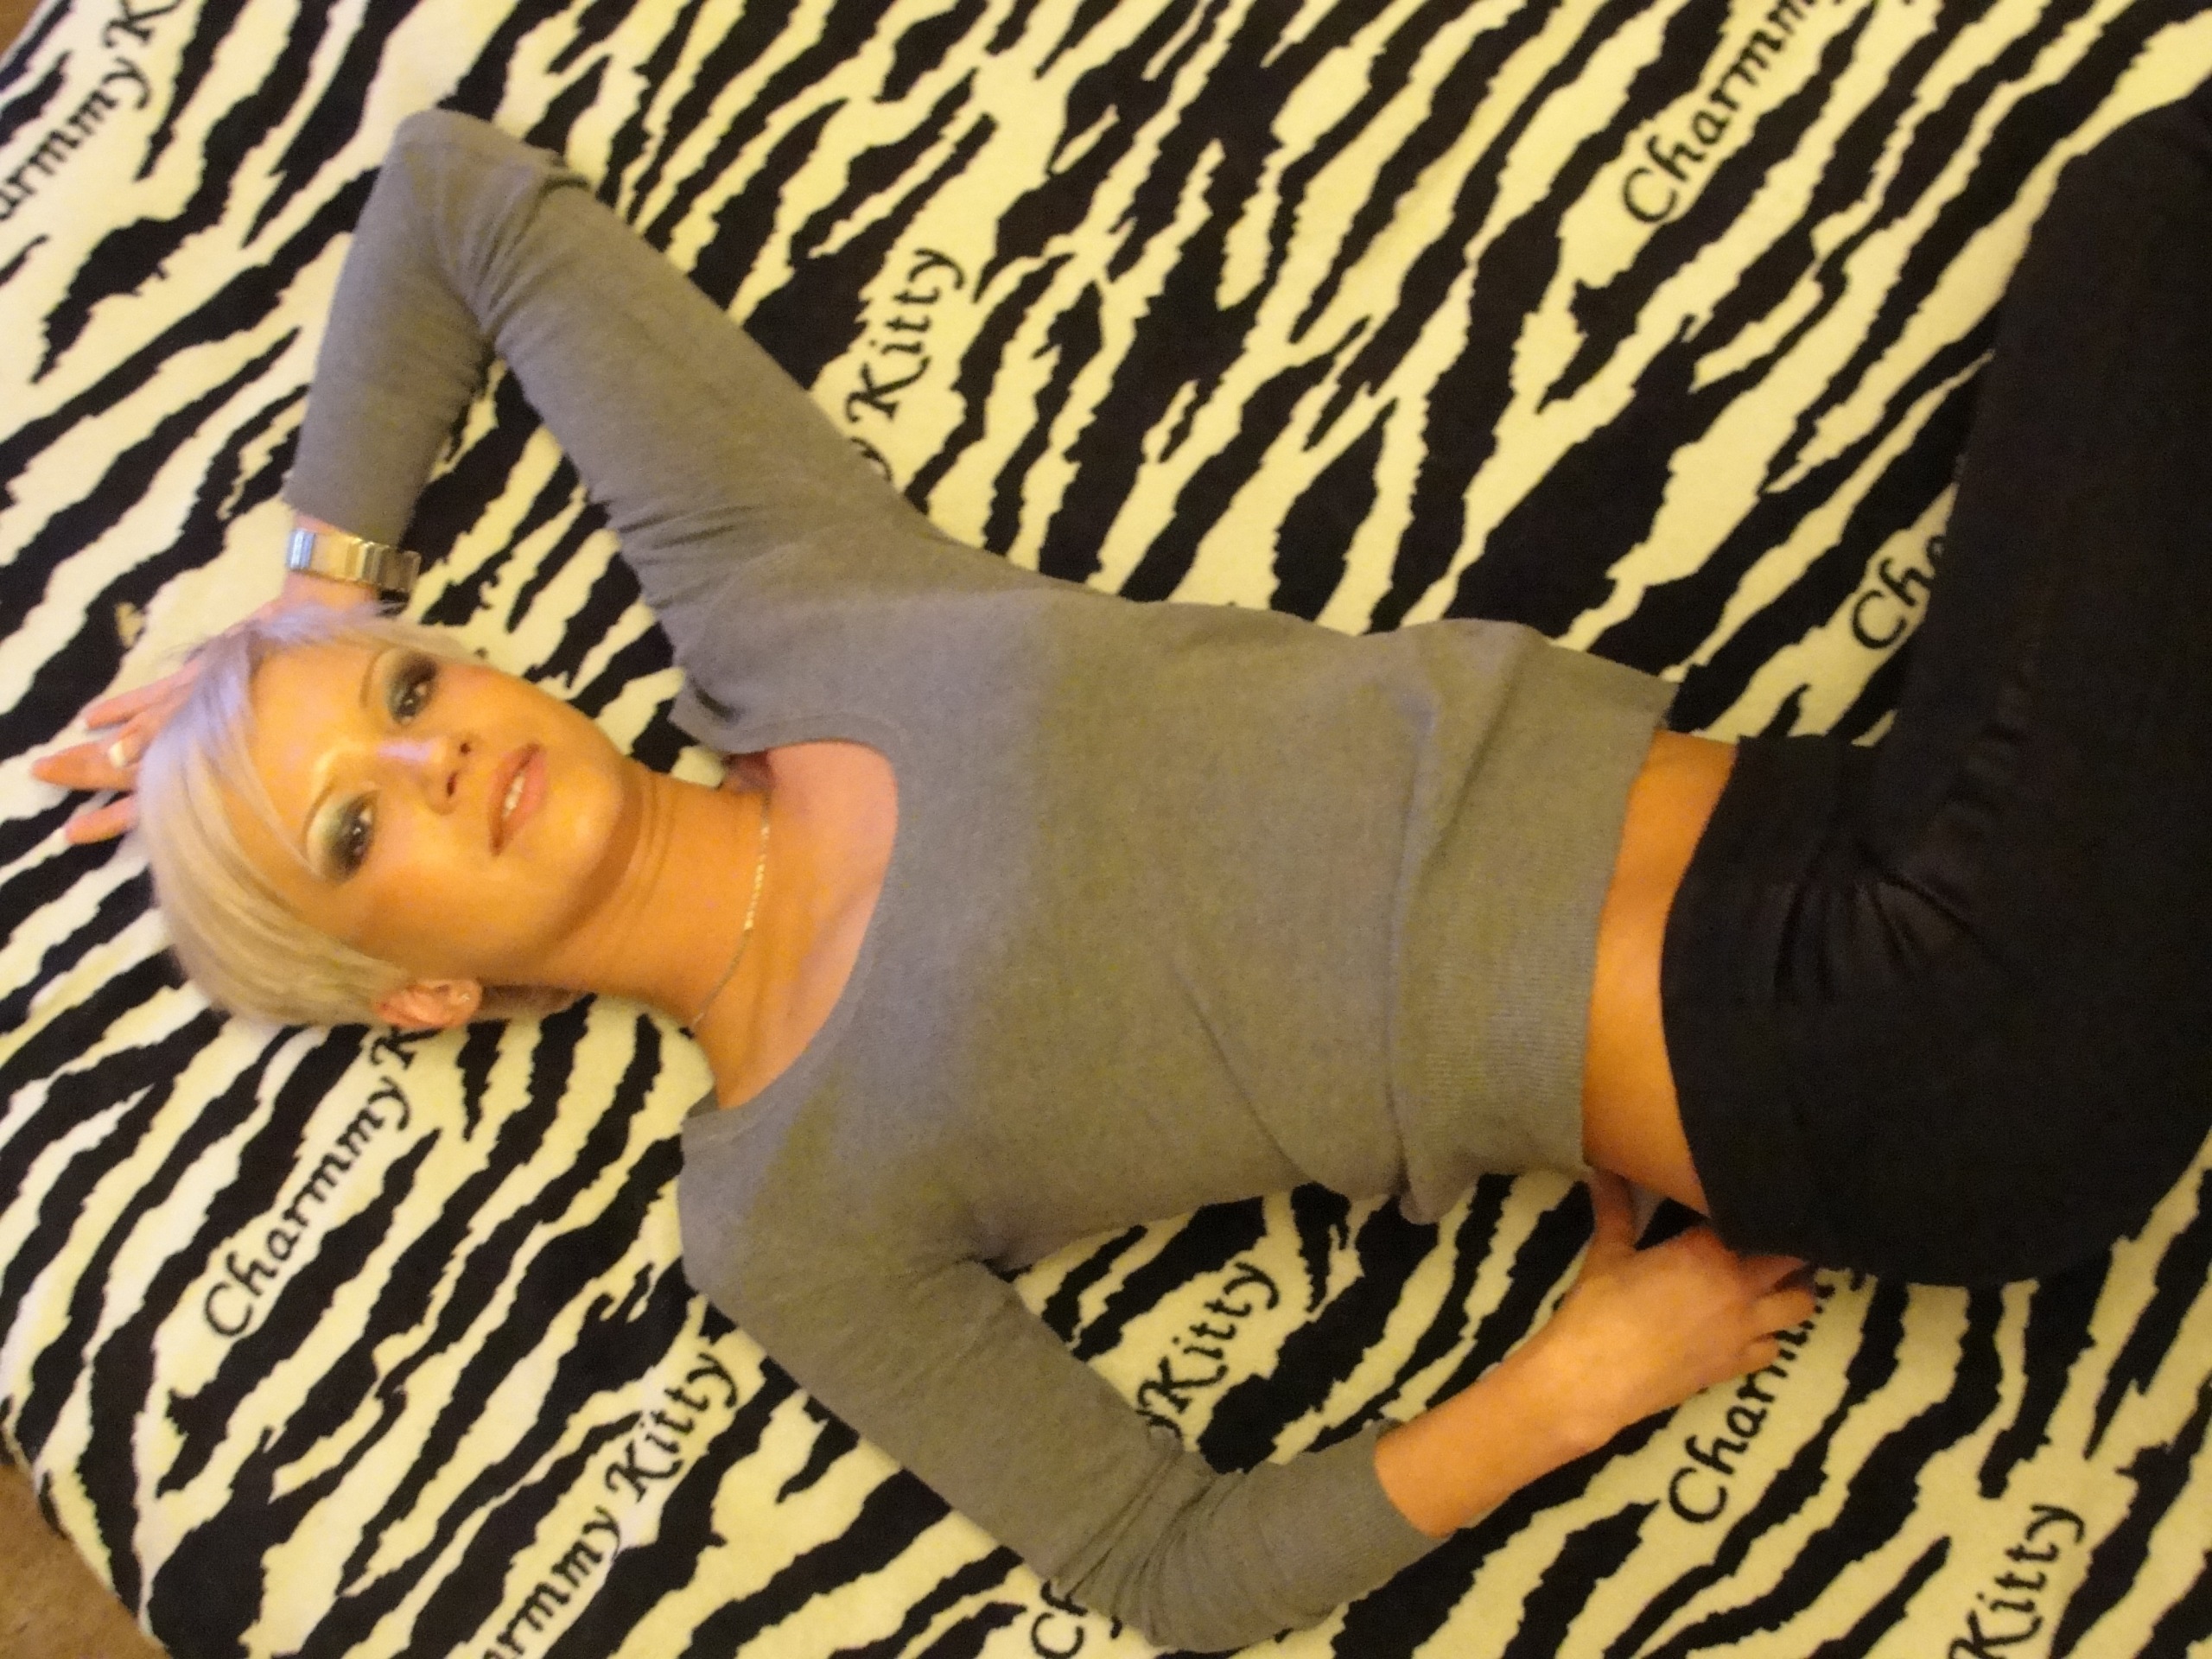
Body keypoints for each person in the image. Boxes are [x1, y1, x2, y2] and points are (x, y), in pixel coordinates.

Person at [31, 81, 2212, 1647]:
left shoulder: (780, 604)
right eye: (355, 827)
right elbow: (1156, 1565)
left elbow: (454, 197)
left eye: (410, 692)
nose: (434, 757)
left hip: (1865, 817)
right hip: (1899, 1049)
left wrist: (307, 597)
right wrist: (1566, 1390)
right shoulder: (778, 1207)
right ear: (414, 992)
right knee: (2153, 215)